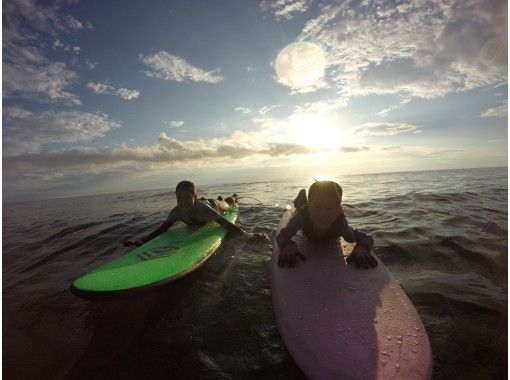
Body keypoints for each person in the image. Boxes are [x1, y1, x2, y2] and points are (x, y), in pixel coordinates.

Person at [276, 181, 377, 269]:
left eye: (329, 208)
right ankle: (302, 196)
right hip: (303, 207)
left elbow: (367, 238)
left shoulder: (341, 225)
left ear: (338, 211)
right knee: (299, 205)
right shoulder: (301, 217)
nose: (322, 214)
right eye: (317, 207)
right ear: (308, 208)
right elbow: (283, 235)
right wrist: (287, 245)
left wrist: (361, 247)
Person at [124, 181, 244, 247]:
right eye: (179, 197)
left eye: (187, 197)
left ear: (194, 197)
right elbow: (162, 229)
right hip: (202, 202)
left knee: (227, 204)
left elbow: (226, 224)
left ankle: (233, 196)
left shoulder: (204, 209)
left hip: (213, 204)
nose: (183, 201)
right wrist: (143, 240)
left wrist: (245, 236)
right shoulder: (176, 212)